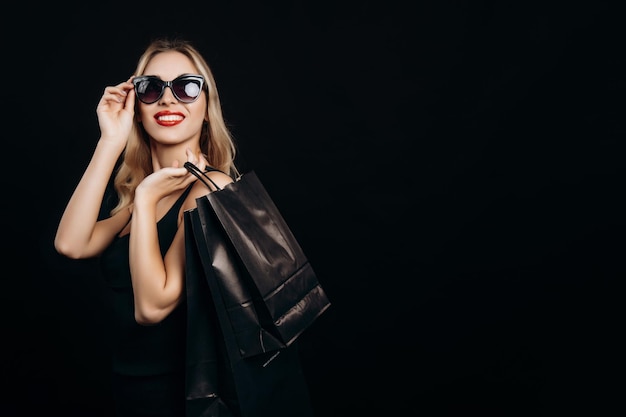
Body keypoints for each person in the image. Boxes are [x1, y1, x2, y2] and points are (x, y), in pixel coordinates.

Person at [54, 37, 303, 417]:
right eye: (151, 88)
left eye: (188, 87)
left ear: (206, 108)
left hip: (187, 400)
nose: (169, 100)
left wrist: (147, 199)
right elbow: (71, 243)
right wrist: (110, 140)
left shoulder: (211, 188)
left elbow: (152, 307)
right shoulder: (141, 193)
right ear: (137, 106)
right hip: (128, 391)